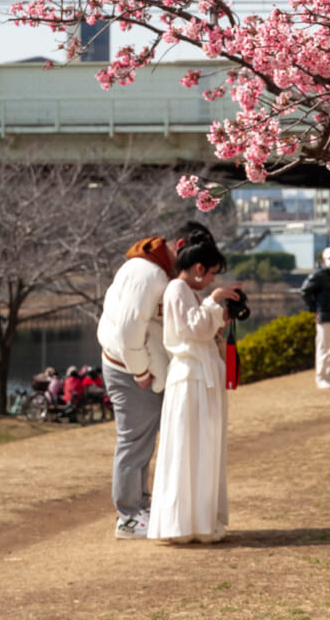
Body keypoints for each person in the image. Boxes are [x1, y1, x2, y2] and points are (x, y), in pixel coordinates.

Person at [97, 219, 215, 540]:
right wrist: (142, 372)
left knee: (143, 444)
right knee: (135, 443)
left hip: (140, 367)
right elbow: (127, 332)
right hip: (129, 369)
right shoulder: (146, 273)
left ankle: (141, 509)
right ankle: (129, 516)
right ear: (180, 248)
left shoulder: (159, 270)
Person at [147, 235, 241, 544]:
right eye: (212, 273)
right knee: (190, 448)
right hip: (191, 378)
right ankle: (184, 523)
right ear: (199, 268)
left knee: (202, 447)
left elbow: (200, 331)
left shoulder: (187, 292)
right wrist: (214, 300)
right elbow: (193, 330)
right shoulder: (177, 289)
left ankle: (198, 521)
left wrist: (219, 318)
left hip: (200, 376)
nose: (213, 279)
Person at [300, 246, 330, 389]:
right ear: (323, 260)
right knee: (324, 348)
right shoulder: (319, 275)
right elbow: (304, 291)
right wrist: (314, 309)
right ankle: (321, 378)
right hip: (325, 316)